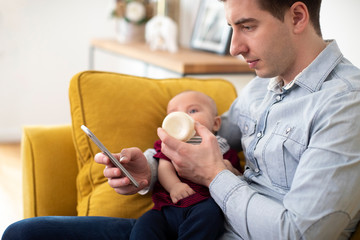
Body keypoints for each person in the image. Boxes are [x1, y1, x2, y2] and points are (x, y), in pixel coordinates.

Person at [2, 0, 360, 239]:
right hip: (182, 225)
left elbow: (300, 233)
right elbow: (203, 139)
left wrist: (213, 175)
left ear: (297, 17)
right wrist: (150, 170)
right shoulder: (261, 87)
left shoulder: (345, 105)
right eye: (231, 27)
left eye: (247, 26)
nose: (234, 47)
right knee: (22, 234)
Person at [130, 90, 241, 239]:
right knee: (145, 224)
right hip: (167, 207)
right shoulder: (170, 145)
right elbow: (164, 166)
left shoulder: (222, 148)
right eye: (173, 114)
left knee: (210, 216)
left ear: (215, 123)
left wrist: (231, 170)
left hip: (203, 205)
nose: (182, 117)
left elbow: (239, 181)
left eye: (193, 110)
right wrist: (174, 186)